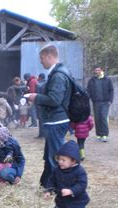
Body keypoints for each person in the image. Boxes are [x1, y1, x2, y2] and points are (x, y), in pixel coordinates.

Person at [26, 44, 71, 187]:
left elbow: (55, 100)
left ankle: (56, 188)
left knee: (55, 157)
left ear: (49, 56)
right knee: (49, 156)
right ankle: (46, 185)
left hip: (56, 121)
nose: (40, 61)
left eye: (41, 58)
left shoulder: (58, 75)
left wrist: (35, 97)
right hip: (55, 120)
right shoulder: (59, 72)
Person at [44, 140, 94, 208]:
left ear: (73, 161)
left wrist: (71, 191)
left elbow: (82, 184)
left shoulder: (79, 171)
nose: (60, 162)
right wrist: (48, 190)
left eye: (63, 160)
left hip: (76, 204)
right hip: (62, 203)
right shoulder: (57, 170)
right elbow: (51, 180)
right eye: (59, 159)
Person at [87, 66, 114, 142]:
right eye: (96, 70)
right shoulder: (91, 81)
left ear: (101, 71)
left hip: (105, 102)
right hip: (96, 102)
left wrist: (110, 100)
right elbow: (88, 91)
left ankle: (105, 135)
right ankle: (99, 135)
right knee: (97, 118)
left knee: (103, 117)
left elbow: (111, 90)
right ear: (94, 71)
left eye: (98, 70)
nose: (97, 71)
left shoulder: (107, 79)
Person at [35, 73, 46, 139]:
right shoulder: (47, 83)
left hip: (39, 104)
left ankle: (41, 134)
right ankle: (44, 134)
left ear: (40, 77)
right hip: (46, 103)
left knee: (40, 119)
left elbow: (37, 95)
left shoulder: (38, 84)